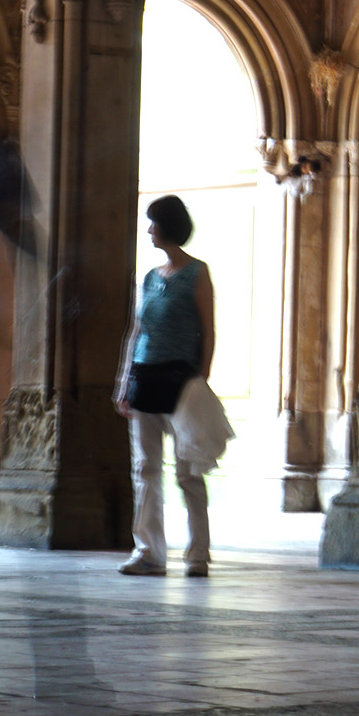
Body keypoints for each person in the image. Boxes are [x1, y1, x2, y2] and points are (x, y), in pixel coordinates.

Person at [114, 195, 215, 577]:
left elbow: (208, 330)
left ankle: (198, 555)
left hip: (181, 382)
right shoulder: (150, 277)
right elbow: (136, 332)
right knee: (145, 469)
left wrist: (201, 380)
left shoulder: (197, 273)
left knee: (188, 472)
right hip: (144, 379)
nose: (148, 229)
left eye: (153, 222)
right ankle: (150, 553)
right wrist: (123, 381)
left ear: (168, 225)